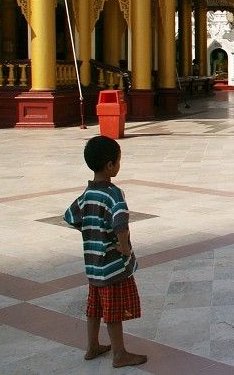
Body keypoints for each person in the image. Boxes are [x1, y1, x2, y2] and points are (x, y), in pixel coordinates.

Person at [63, 136, 147, 368]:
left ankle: (92, 346)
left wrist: (91, 229)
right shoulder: (113, 193)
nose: (119, 165)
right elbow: (120, 222)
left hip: (93, 265)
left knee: (95, 307)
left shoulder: (86, 195)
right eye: (118, 161)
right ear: (110, 165)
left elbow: (70, 216)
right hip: (111, 264)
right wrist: (123, 246)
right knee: (113, 310)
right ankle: (119, 353)